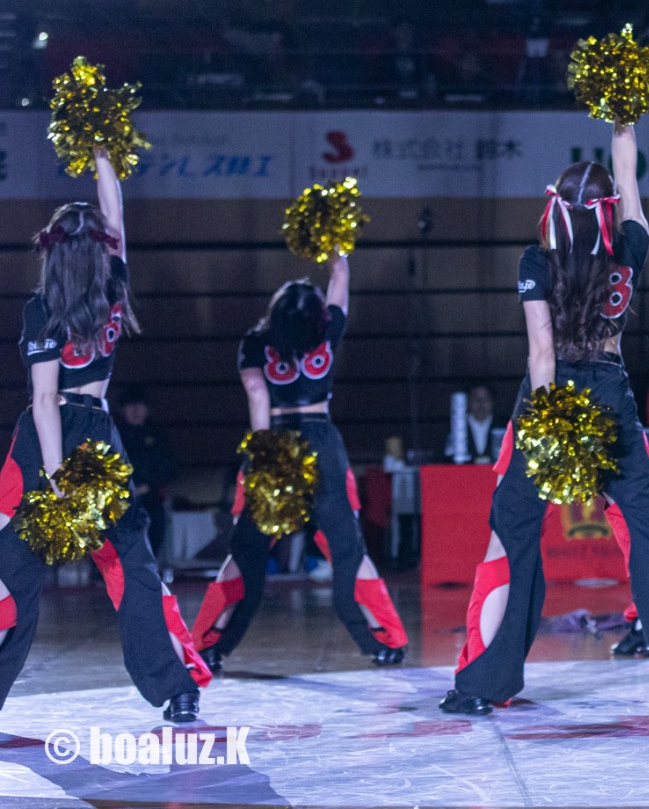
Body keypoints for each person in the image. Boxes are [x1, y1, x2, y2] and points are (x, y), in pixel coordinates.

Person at [441, 137, 649, 715]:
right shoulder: (630, 248)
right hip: (609, 393)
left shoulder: (535, 261)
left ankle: (480, 686)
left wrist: (549, 427)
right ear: (608, 210)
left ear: (555, 209)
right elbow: (631, 183)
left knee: (511, 540)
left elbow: (541, 353)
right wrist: (623, 121)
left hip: (546, 400)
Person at [0, 148, 210, 721]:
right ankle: (176, 689)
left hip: (48, 439)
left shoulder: (43, 308)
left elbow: (45, 401)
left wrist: (55, 476)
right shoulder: (113, 284)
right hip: (98, 434)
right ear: (100, 250)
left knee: (14, 570)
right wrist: (101, 157)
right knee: (131, 563)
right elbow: (117, 217)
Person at [191, 254, 408, 671]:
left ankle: (209, 644)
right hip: (321, 441)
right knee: (347, 550)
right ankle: (383, 640)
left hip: (274, 438)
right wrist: (333, 246)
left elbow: (257, 394)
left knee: (247, 551)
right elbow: (340, 273)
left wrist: (265, 454)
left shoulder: (254, 343)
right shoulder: (328, 332)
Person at [113, 387, 177, 562]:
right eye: (130, 406)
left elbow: (168, 467)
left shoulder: (157, 436)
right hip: (119, 502)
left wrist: (147, 486)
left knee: (151, 544)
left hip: (150, 501)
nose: (135, 410)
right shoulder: (114, 435)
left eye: (139, 406)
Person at [444, 385, 505, 463]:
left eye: (486, 398)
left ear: (493, 402)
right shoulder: (456, 427)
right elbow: (448, 457)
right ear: (468, 401)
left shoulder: (503, 426)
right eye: (475, 398)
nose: (480, 403)